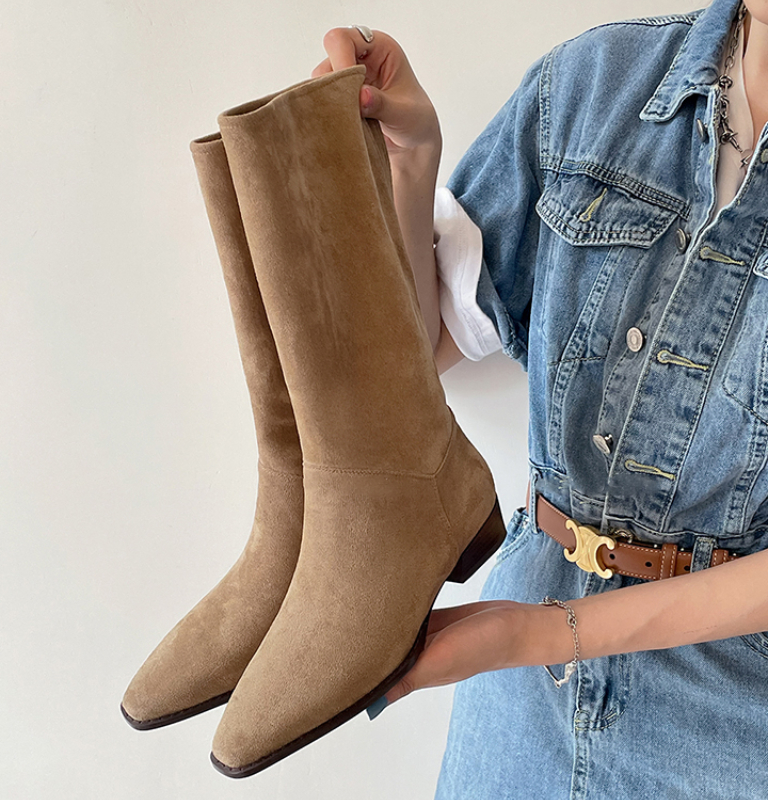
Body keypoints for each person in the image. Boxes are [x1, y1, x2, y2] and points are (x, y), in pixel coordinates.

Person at [313, 0, 768, 797]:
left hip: (724, 719)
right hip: (522, 686)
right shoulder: (596, 83)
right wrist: (412, 161)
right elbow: (420, 353)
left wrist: (543, 635)